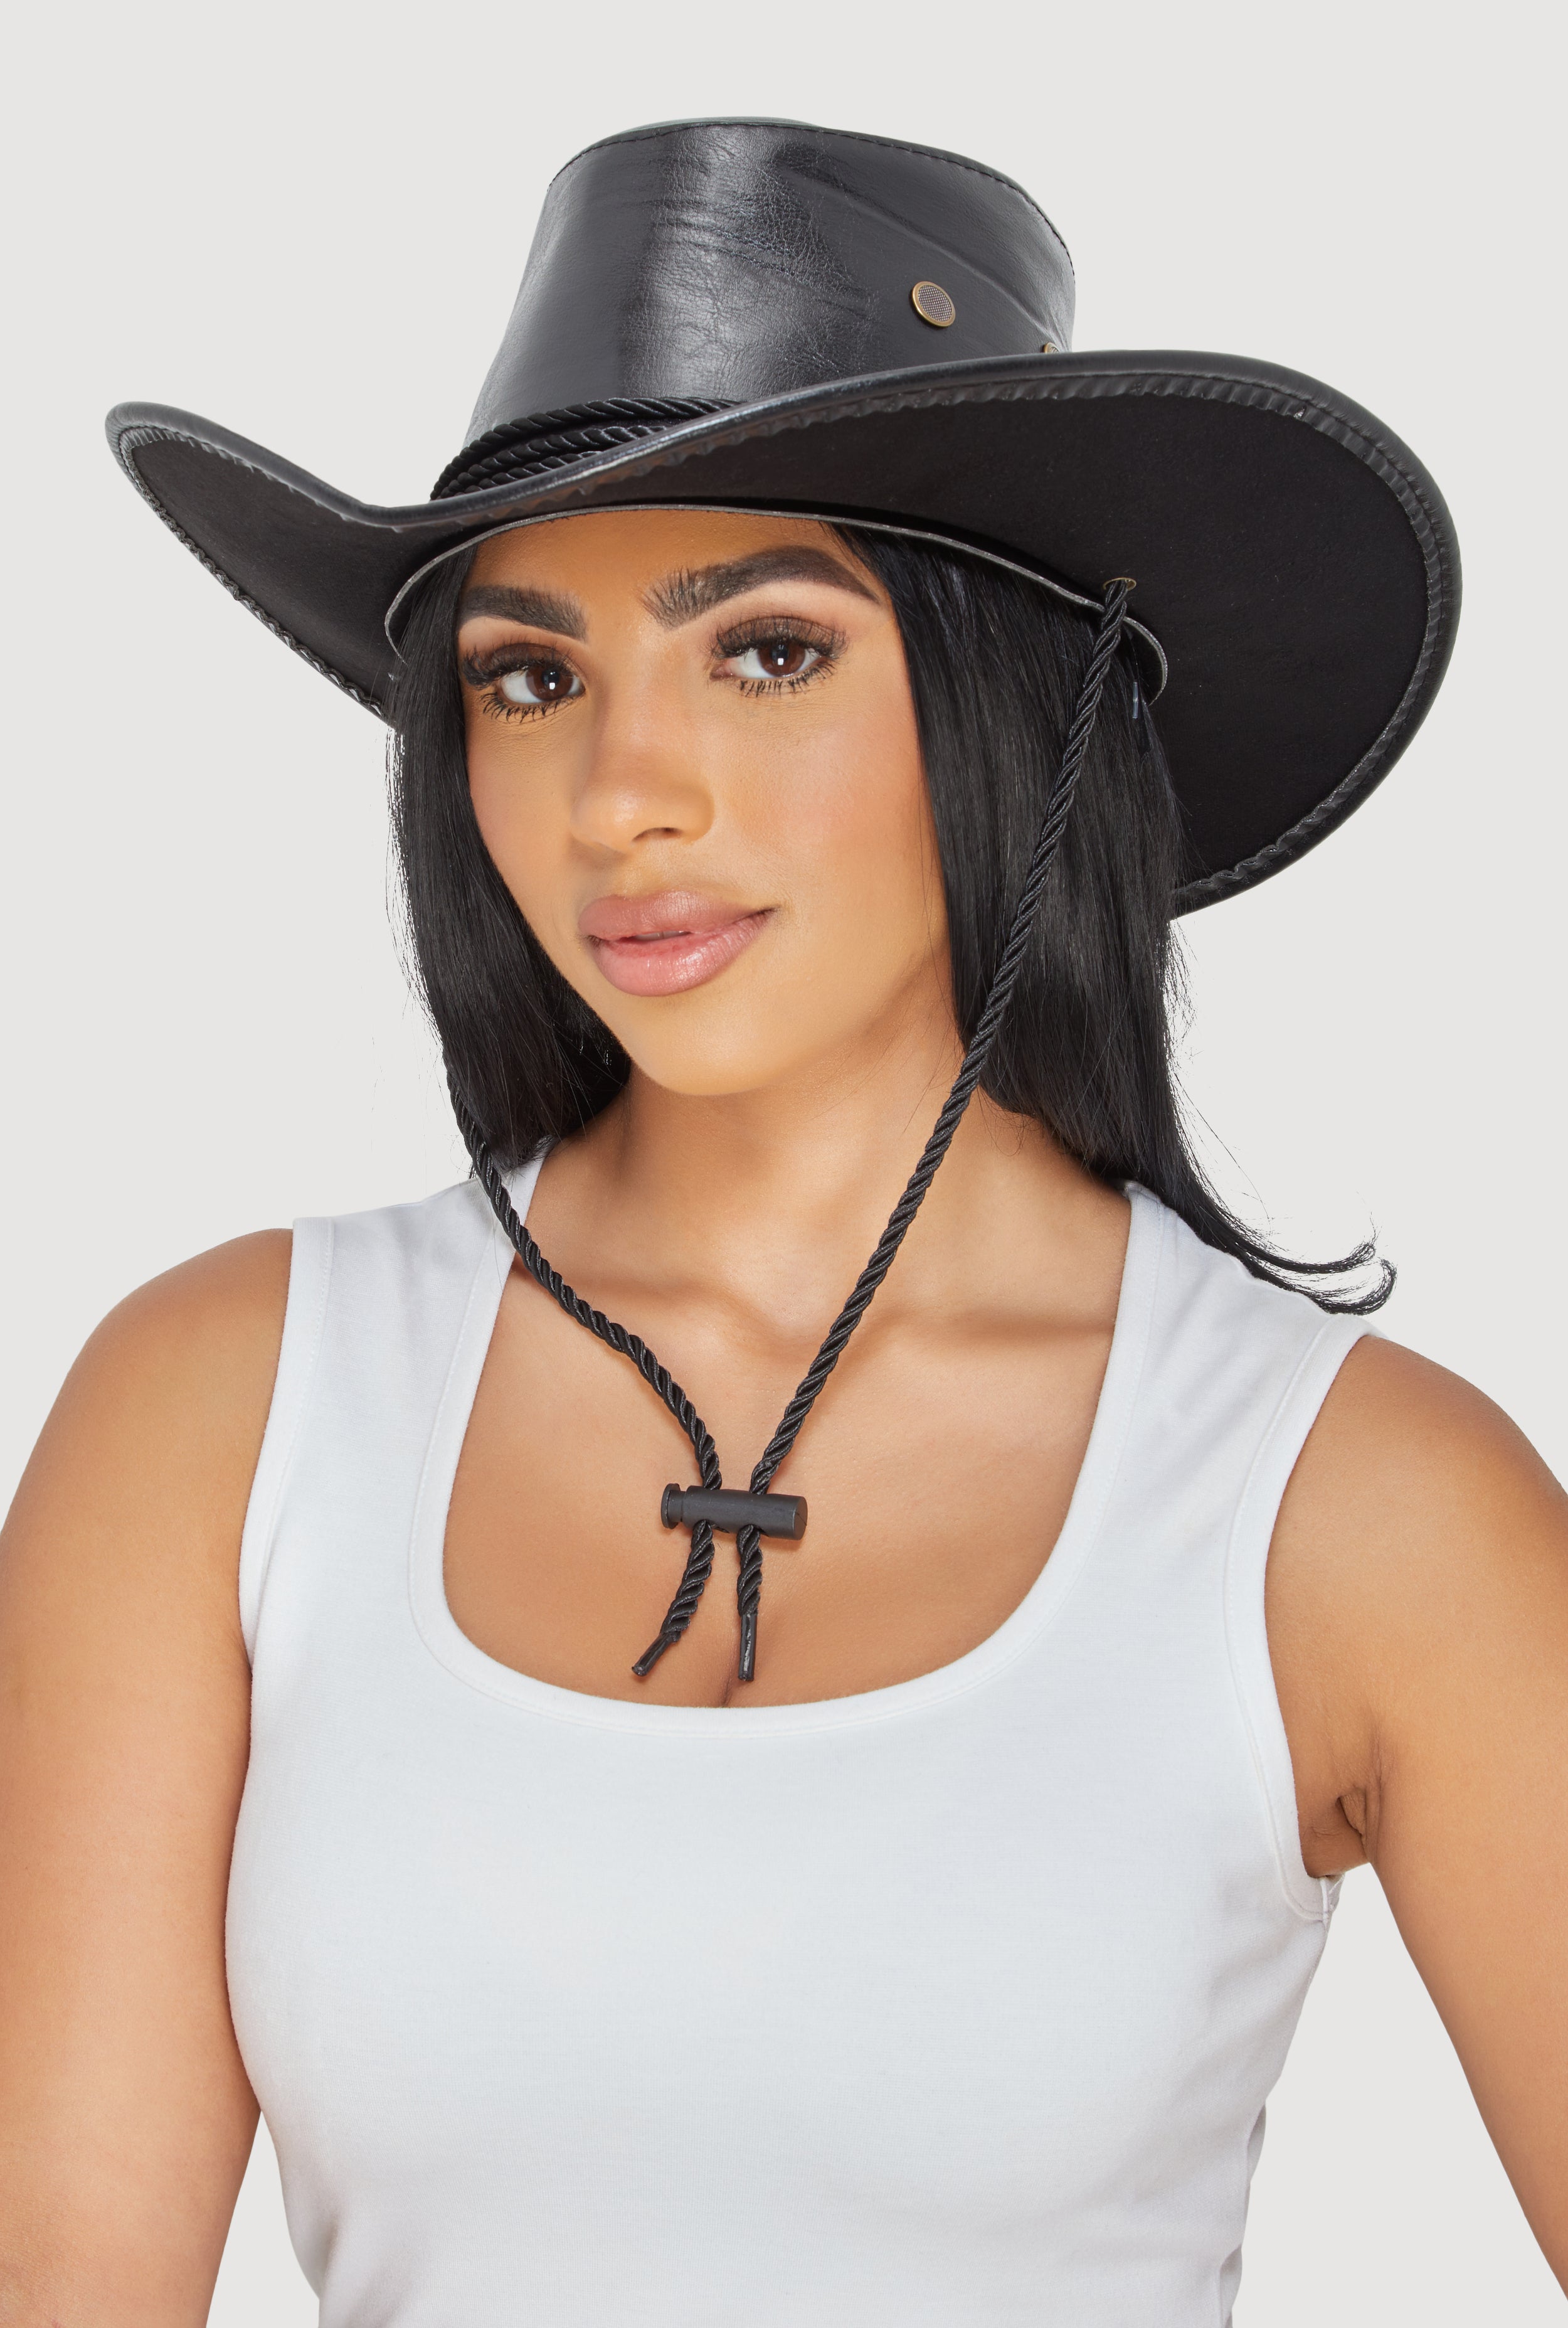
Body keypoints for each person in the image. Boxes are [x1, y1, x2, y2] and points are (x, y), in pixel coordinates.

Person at [1, 117, 1562, 2326]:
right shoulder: (216, 1413)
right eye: (529, 677)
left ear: (1007, 706)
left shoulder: (1357, 1502)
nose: (623, 794)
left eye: (763, 653)